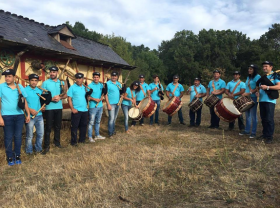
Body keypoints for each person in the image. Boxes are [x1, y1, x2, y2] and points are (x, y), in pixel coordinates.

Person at [0, 69, 30, 166]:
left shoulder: (20, 87)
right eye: (6, 76)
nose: (7, 78)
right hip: (6, 116)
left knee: (18, 136)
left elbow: (24, 101)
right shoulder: (1, 87)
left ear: (14, 77)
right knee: (8, 137)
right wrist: (0, 117)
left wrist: (28, 114)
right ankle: (9, 157)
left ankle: (17, 155)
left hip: (19, 116)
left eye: (9, 76)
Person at [41, 66, 67, 154]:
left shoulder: (61, 82)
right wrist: (51, 99)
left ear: (57, 73)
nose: (52, 73)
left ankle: (57, 143)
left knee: (57, 126)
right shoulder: (45, 83)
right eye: (51, 72)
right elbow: (42, 96)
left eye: (54, 72)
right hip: (49, 108)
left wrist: (60, 97)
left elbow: (65, 95)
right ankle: (46, 146)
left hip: (59, 108)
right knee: (48, 127)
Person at [256, 61, 280, 144]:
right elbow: (259, 88)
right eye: (263, 66)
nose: (264, 68)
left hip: (270, 100)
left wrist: (268, 87)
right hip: (262, 100)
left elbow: (279, 86)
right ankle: (265, 134)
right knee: (263, 119)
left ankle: (270, 137)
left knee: (269, 119)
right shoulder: (263, 77)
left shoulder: (275, 75)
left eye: (266, 66)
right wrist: (257, 92)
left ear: (271, 67)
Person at [239, 65, 261, 138]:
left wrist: (250, 93)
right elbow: (246, 87)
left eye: (251, 69)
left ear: (254, 70)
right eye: (248, 69)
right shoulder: (248, 77)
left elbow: (258, 87)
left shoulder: (257, 77)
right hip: (247, 97)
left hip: (253, 97)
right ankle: (247, 130)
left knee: (253, 115)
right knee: (247, 114)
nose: (249, 70)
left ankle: (253, 132)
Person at [67, 73, 89, 146]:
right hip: (76, 110)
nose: (78, 80)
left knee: (83, 126)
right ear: (75, 79)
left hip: (85, 110)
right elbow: (69, 99)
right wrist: (72, 108)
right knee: (75, 126)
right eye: (77, 78)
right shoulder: (72, 88)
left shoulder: (84, 87)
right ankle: (73, 142)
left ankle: (82, 140)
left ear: (83, 79)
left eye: (80, 78)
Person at [25, 74, 44, 154]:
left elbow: (42, 102)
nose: (34, 82)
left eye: (35, 80)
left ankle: (38, 149)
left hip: (39, 115)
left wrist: (43, 107)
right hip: (30, 116)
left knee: (40, 134)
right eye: (32, 80)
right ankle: (29, 151)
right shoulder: (25, 90)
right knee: (29, 135)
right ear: (29, 81)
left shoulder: (40, 90)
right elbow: (22, 104)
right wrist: (29, 110)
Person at [87, 72, 106, 142]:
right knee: (91, 122)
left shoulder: (101, 85)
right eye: (94, 77)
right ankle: (89, 137)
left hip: (100, 106)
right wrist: (95, 99)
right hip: (93, 106)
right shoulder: (90, 85)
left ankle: (97, 135)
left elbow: (103, 93)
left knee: (98, 121)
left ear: (99, 78)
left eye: (97, 77)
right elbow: (88, 97)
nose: (96, 78)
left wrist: (102, 97)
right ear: (93, 78)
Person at [105, 71, 122, 138]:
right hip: (111, 104)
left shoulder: (118, 84)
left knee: (114, 118)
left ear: (117, 77)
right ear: (111, 76)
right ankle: (110, 133)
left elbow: (120, 92)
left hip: (117, 104)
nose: (114, 77)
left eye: (115, 76)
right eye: (113, 76)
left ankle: (113, 130)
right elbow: (105, 95)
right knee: (111, 119)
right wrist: (108, 104)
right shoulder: (107, 84)